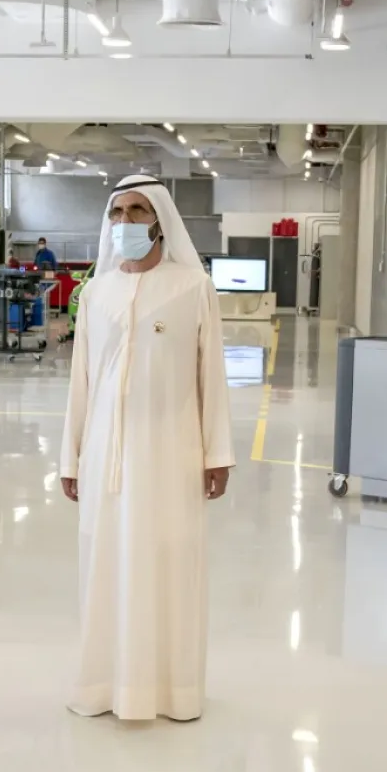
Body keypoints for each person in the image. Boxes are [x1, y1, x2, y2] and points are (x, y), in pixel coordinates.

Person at [59, 175, 235, 722]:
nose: (125, 222)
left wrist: (217, 453)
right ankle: (102, 687)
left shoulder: (191, 287)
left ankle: (173, 693)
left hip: (172, 453)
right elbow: (81, 381)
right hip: (106, 456)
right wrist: (73, 457)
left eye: (136, 211)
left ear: (159, 220)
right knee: (107, 563)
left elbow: (212, 376)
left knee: (169, 560)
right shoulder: (95, 292)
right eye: (117, 212)